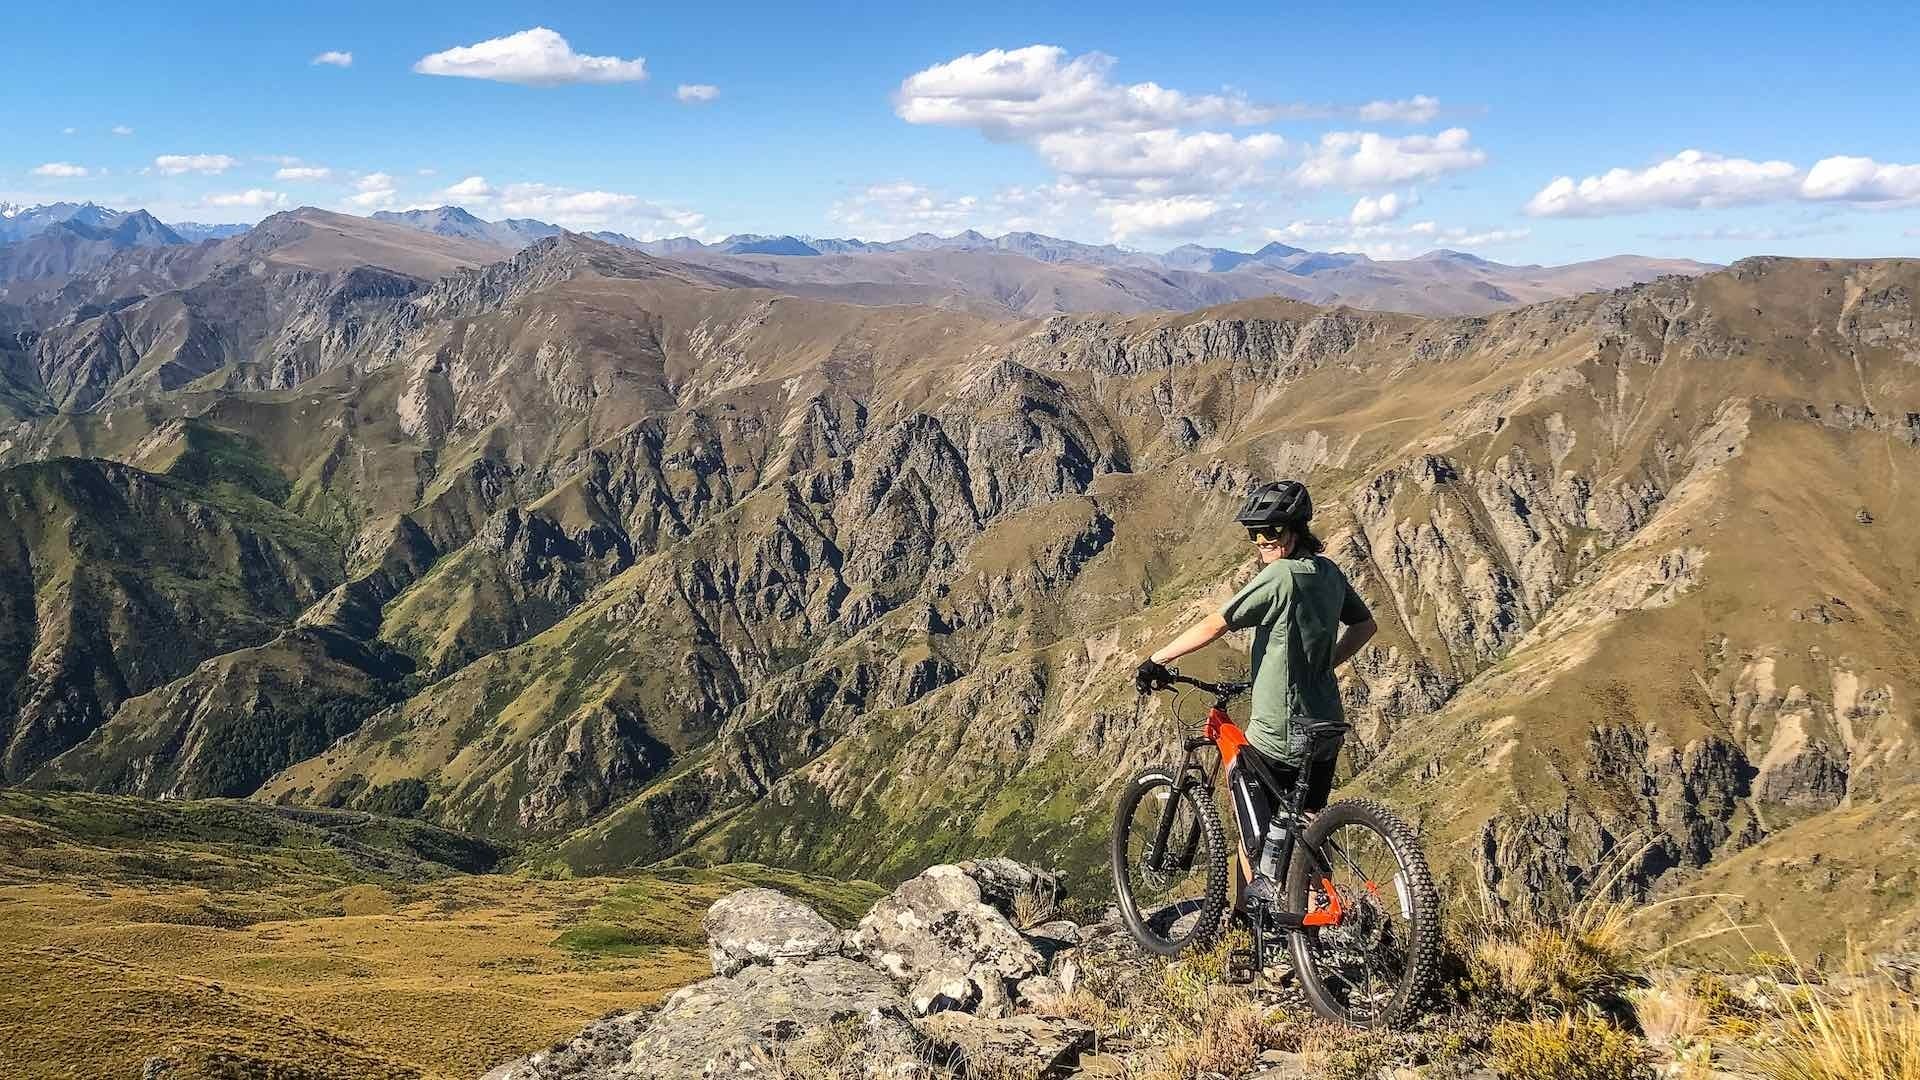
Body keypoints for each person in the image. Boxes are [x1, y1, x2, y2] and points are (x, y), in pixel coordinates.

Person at [1134, 480, 1377, 907]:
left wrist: (1157, 658)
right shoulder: (1328, 572)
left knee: (1253, 829)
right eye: (1255, 533)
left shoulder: (1280, 576)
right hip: (1326, 724)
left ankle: (1268, 918)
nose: (1262, 542)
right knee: (1299, 824)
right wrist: (1322, 665)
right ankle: (1300, 917)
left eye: (1272, 532)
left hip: (1281, 731)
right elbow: (1365, 626)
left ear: (1295, 530)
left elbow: (1217, 623)